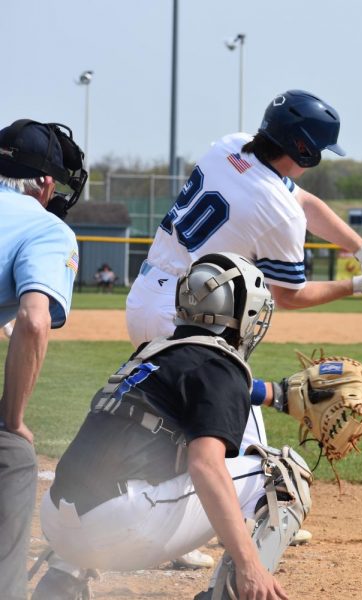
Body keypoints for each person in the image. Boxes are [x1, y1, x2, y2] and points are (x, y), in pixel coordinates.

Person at [125, 88, 362, 567]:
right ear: (305, 150)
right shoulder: (277, 211)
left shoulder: (229, 146)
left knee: (180, 424)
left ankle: (179, 537)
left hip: (150, 296)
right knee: (233, 435)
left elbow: (303, 201)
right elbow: (289, 295)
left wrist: (361, 249)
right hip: (190, 314)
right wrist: (354, 288)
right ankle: (257, 522)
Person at [33, 253, 312, 599]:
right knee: (283, 472)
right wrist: (249, 563)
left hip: (57, 522)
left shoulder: (149, 355)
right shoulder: (220, 364)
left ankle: (61, 582)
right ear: (242, 312)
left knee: (122, 459)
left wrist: (275, 394)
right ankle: (231, 593)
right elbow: (206, 466)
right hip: (118, 527)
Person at [0, 119, 87, 600]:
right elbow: (34, 322)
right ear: (47, 184)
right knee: (12, 455)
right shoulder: (46, 227)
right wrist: (13, 419)